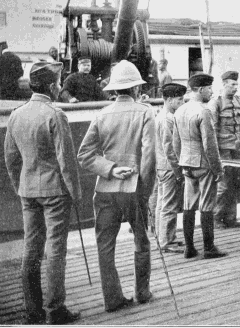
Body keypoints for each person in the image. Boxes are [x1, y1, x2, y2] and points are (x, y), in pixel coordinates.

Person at [4, 61, 82, 324]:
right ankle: (55, 309)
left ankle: (32, 310)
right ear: (51, 85)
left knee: (31, 248)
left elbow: (11, 158)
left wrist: (20, 185)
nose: (59, 86)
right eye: (57, 82)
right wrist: (76, 193)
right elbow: (66, 161)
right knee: (56, 249)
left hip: (28, 190)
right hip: (55, 192)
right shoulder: (55, 115)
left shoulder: (17, 114)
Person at [77, 60, 155, 312]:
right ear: (135, 89)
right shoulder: (145, 112)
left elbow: (84, 155)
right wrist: (146, 192)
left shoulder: (101, 114)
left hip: (105, 189)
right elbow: (149, 157)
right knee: (141, 240)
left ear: (114, 90)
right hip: (134, 189)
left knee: (105, 244)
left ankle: (112, 298)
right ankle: (142, 292)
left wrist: (110, 169)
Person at [172, 73, 227, 259]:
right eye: (209, 89)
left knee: (188, 205)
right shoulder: (204, 111)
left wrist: (181, 162)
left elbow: (175, 143)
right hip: (204, 165)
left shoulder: (179, 111)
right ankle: (209, 247)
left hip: (186, 163)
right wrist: (218, 169)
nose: (211, 92)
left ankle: (189, 248)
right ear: (201, 89)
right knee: (206, 205)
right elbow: (209, 145)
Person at [208, 71, 240, 229]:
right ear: (224, 85)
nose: (235, 87)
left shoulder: (238, 101)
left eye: (236, 84)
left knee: (235, 183)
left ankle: (230, 218)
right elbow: (211, 130)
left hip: (238, 149)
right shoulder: (216, 103)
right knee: (223, 185)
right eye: (232, 84)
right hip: (223, 150)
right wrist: (213, 153)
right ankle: (216, 217)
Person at [155, 83, 187, 253]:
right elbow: (170, 148)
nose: (183, 102)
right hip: (168, 168)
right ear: (168, 100)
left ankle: (164, 238)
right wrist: (179, 171)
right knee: (169, 204)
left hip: (161, 167)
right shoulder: (167, 119)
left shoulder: (162, 116)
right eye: (180, 99)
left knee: (162, 203)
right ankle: (167, 242)